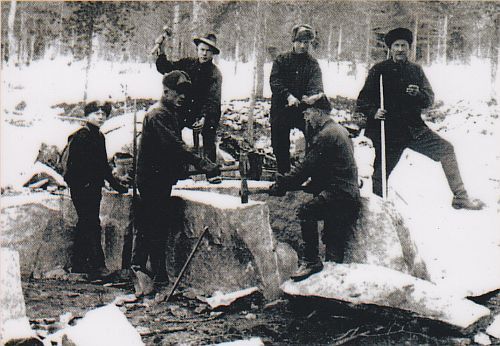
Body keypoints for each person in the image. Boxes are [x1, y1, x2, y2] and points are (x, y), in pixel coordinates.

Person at [356, 27, 485, 210]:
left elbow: (429, 100)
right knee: (380, 175)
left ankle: (460, 197)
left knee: (446, 150)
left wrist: (418, 94)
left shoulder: (416, 71)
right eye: (396, 45)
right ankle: (379, 212)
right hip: (388, 133)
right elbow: (362, 100)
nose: (400, 49)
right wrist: (374, 112)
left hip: (414, 130)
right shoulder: (379, 70)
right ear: (390, 48)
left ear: (409, 48)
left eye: (404, 45)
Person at [131, 70, 220, 296]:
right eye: (178, 92)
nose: (182, 97)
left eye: (185, 93)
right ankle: (141, 269)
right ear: (166, 91)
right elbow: (174, 146)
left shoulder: (170, 112)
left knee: (156, 223)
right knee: (152, 224)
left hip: (160, 178)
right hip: (151, 179)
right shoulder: (158, 114)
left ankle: (155, 272)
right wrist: (203, 164)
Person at [269, 106, 361, 282]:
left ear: (319, 112)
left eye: (308, 114)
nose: (307, 119)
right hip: (347, 194)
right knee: (333, 239)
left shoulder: (325, 135)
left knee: (306, 212)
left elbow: (305, 168)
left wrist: (282, 184)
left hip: (339, 194)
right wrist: (312, 184)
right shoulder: (339, 130)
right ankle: (330, 290)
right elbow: (330, 166)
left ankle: (311, 261)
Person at [63, 101, 128, 279]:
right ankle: (98, 266)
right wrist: (82, 184)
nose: (100, 117)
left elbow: (103, 167)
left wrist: (117, 185)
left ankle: (78, 265)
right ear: (87, 116)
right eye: (96, 113)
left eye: (103, 114)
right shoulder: (81, 136)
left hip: (92, 187)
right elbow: (75, 166)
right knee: (91, 223)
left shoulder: (99, 136)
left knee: (85, 223)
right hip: (82, 188)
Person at [155, 32, 222, 183]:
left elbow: (213, 100)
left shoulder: (215, 74)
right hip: (185, 110)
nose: (204, 54)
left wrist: (204, 117)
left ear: (213, 54)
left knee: (209, 133)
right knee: (172, 132)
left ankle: (212, 172)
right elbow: (166, 68)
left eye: (208, 51)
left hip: (206, 112)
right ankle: (178, 169)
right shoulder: (187, 64)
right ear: (197, 49)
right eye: (202, 50)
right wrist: (162, 49)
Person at [270, 24, 329, 174]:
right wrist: (288, 96)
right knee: (279, 142)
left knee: (315, 138)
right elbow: (275, 82)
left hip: (304, 110)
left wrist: (311, 97)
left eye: (306, 42)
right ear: (293, 41)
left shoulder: (313, 64)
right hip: (282, 108)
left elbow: (316, 85)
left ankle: (308, 173)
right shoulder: (281, 60)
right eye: (300, 42)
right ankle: (283, 173)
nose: (303, 46)